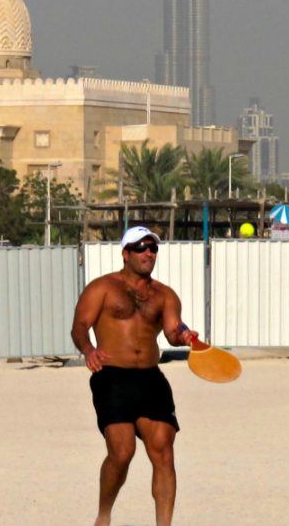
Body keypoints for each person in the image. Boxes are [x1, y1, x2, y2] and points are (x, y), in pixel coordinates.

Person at [71, 225, 198, 526]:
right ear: (126, 253)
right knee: (122, 451)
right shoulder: (102, 287)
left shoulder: (164, 294)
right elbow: (79, 326)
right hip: (112, 376)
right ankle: (104, 514)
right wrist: (88, 349)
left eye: (153, 248)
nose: (148, 253)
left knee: (164, 452)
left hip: (150, 378)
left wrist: (185, 335)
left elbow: (172, 330)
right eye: (141, 247)